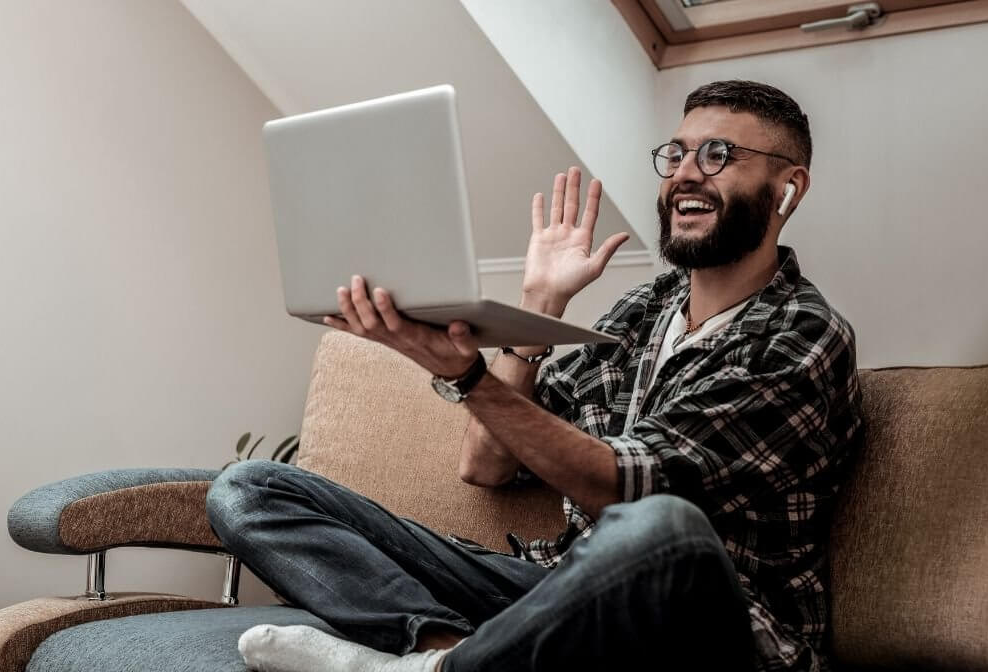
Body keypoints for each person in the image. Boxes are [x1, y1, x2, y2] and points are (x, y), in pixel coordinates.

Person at [207, 79, 863, 672]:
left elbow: (615, 487)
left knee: (658, 525)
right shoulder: (645, 310)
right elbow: (487, 465)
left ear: (787, 188)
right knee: (248, 491)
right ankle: (439, 654)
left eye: (718, 155)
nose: (687, 175)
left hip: (715, 631)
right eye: (678, 154)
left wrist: (466, 373)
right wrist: (539, 306)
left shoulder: (801, 336)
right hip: (558, 593)